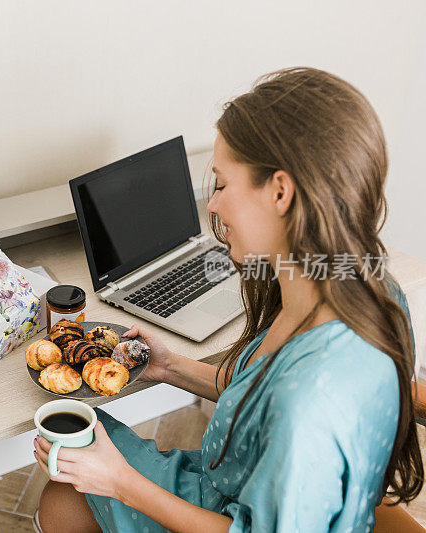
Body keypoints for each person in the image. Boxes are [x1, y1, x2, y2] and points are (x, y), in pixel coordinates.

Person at [32, 67, 422, 532]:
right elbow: (257, 402)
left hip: (236, 516)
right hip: (234, 494)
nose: (211, 207)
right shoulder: (364, 290)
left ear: (280, 191)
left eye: (220, 184)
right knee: (74, 461)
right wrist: (169, 366)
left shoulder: (308, 401)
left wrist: (120, 482)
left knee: (64, 494)